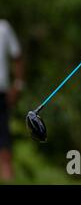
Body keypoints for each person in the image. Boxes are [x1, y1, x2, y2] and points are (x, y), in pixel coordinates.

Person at [0, 19, 24, 181]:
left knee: (3, 137)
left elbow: (17, 56)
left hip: (1, 91)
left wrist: (18, 84)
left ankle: (7, 176)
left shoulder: (4, 28)